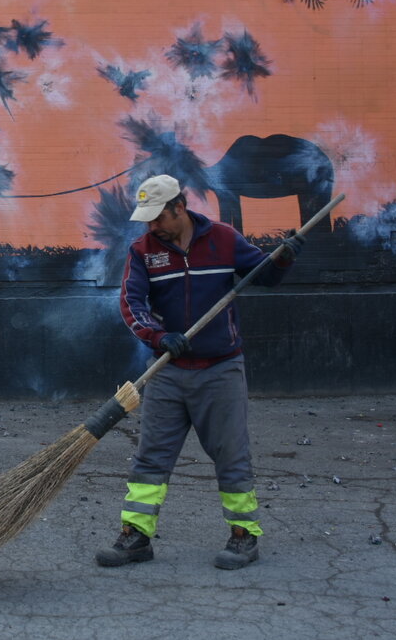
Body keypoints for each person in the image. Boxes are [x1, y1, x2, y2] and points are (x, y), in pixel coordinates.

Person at [97, 174, 303, 570]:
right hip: (168, 370)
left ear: (180, 206)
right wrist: (158, 337)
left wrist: (285, 256)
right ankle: (136, 536)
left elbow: (267, 276)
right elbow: (131, 304)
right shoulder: (143, 250)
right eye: (148, 220)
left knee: (231, 454)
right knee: (150, 458)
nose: (152, 226)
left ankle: (244, 537)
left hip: (221, 368)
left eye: (159, 217)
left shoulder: (224, 239)